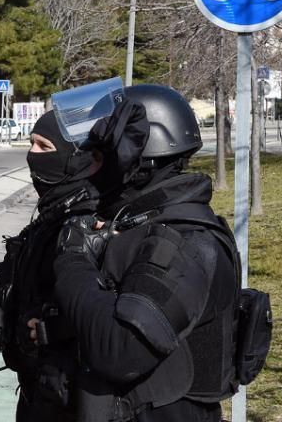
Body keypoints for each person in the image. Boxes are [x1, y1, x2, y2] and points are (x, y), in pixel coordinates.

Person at [52, 84, 240, 421]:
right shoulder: (140, 224)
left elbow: (121, 348)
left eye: (97, 158)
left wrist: (72, 260)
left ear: (140, 161)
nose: (88, 169)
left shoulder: (185, 240)